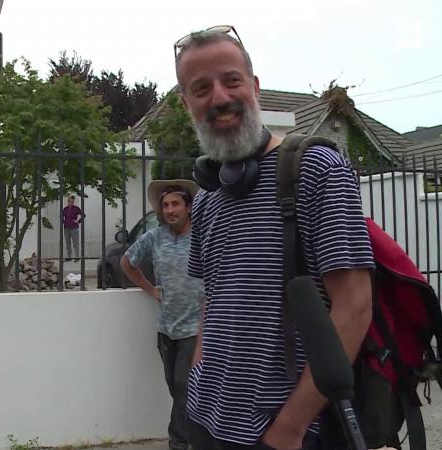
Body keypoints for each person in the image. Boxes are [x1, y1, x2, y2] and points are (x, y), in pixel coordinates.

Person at [174, 26, 374, 450]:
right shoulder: (207, 197)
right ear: (185, 103)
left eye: (231, 81)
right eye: (201, 88)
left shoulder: (316, 170)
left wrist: (290, 428)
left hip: (282, 432)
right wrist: (197, 381)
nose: (220, 98)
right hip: (205, 420)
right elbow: (213, 300)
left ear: (254, 86)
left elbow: (354, 306)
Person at [120, 179, 204, 450]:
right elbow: (126, 263)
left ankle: (179, 443)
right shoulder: (154, 237)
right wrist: (150, 289)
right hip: (167, 327)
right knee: (175, 386)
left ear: (188, 207)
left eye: (175, 204)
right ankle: (197, 435)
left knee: (183, 385)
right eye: (165, 205)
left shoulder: (203, 236)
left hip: (196, 327)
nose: (169, 210)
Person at [61, 195, 85, 261]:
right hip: (66, 228)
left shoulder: (76, 208)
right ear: (67, 202)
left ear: (73, 202)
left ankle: (77, 257)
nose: (70, 202)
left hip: (74, 228)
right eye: (69, 201)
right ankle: (69, 256)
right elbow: (61, 216)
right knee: (68, 243)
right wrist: (64, 222)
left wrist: (78, 221)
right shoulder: (65, 209)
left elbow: (83, 215)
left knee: (75, 243)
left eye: (71, 201)